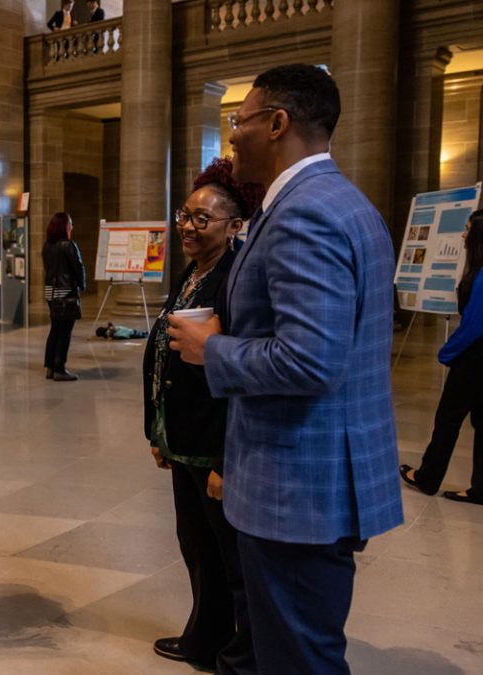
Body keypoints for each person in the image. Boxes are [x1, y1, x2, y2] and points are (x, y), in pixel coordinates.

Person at [167, 64, 402, 674]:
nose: (231, 138)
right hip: (317, 475)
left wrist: (210, 348)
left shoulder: (304, 214)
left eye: (238, 121)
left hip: (299, 484)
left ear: (277, 124)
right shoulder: (340, 202)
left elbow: (311, 359)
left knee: (299, 658)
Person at [143, 157, 264, 673]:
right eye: (184, 215)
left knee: (232, 558)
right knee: (196, 545)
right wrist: (158, 430)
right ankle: (205, 639)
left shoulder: (237, 279)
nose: (187, 227)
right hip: (182, 435)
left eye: (202, 219)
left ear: (235, 226)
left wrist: (224, 459)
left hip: (215, 442)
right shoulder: (194, 271)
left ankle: (240, 657)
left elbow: (238, 376)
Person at [400, 209, 483, 505]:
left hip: (474, 361)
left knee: (448, 418)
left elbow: (475, 325)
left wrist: (447, 352)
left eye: (467, 228)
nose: (463, 234)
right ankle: (480, 488)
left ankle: (428, 477)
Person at [42, 212, 85, 381]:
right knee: (64, 332)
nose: (72, 227)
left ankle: (50, 367)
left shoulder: (47, 245)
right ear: (65, 226)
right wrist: (82, 285)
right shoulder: (68, 245)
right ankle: (59, 368)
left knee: (55, 329)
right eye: (70, 224)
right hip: (66, 293)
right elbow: (78, 267)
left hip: (51, 293)